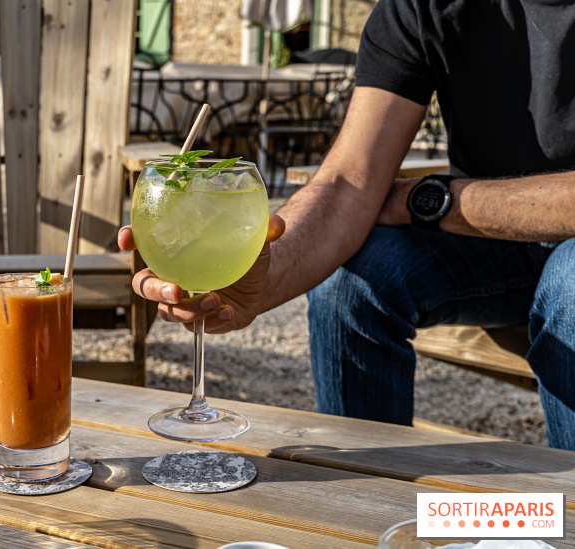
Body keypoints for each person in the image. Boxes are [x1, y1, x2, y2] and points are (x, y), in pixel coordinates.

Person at [118, 0, 575, 450]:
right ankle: (365, 496)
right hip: (491, 248)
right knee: (350, 281)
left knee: (570, 284)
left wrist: (433, 202)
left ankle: (565, 516)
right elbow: (348, 182)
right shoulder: (426, 7)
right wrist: (254, 279)